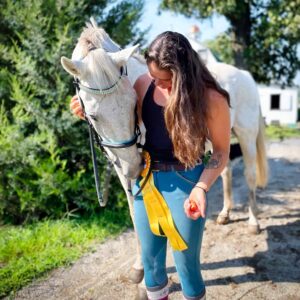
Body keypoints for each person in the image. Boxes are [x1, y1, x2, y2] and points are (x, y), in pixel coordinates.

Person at [71, 31, 231, 300]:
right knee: (152, 268)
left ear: (183, 73)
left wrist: (202, 188)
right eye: (153, 75)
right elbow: (117, 113)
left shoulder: (212, 99)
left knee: (187, 268)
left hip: (188, 185)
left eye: (164, 80)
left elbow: (221, 151)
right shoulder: (144, 84)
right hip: (146, 184)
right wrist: (84, 109)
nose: (155, 82)